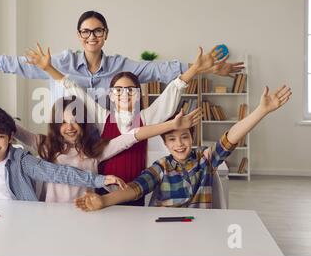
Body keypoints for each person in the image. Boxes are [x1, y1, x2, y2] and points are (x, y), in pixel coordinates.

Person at [24, 43, 223, 206]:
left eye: (130, 90)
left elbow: (172, 91)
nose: (124, 94)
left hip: (134, 191)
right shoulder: (103, 117)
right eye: (119, 90)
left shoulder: (146, 118)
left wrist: (194, 69)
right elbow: (75, 90)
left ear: (138, 95)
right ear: (111, 95)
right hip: (103, 192)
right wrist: (48, 68)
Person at [74, 85, 292, 210]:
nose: (179, 144)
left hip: (200, 229)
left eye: (185, 137)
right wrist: (103, 200)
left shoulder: (205, 161)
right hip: (164, 231)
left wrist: (261, 111)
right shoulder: (161, 167)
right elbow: (134, 189)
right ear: (165, 143)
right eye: (172, 140)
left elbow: (231, 137)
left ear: (192, 138)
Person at [0, 10, 244, 101]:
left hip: (106, 137)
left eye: (97, 31)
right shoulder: (59, 62)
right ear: (79, 36)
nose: (92, 37)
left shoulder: (120, 66)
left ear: (106, 35)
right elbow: (14, 65)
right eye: (86, 32)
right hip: (68, 137)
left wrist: (209, 68)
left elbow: (162, 70)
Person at [0, 95, 201, 203]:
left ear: (83, 123)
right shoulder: (45, 145)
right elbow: (8, 125)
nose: (69, 127)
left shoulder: (96, 149)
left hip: (84, 211)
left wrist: (170, 124)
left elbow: (132, 136)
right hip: (48, 213)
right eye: (62, 122)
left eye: (74, 121)